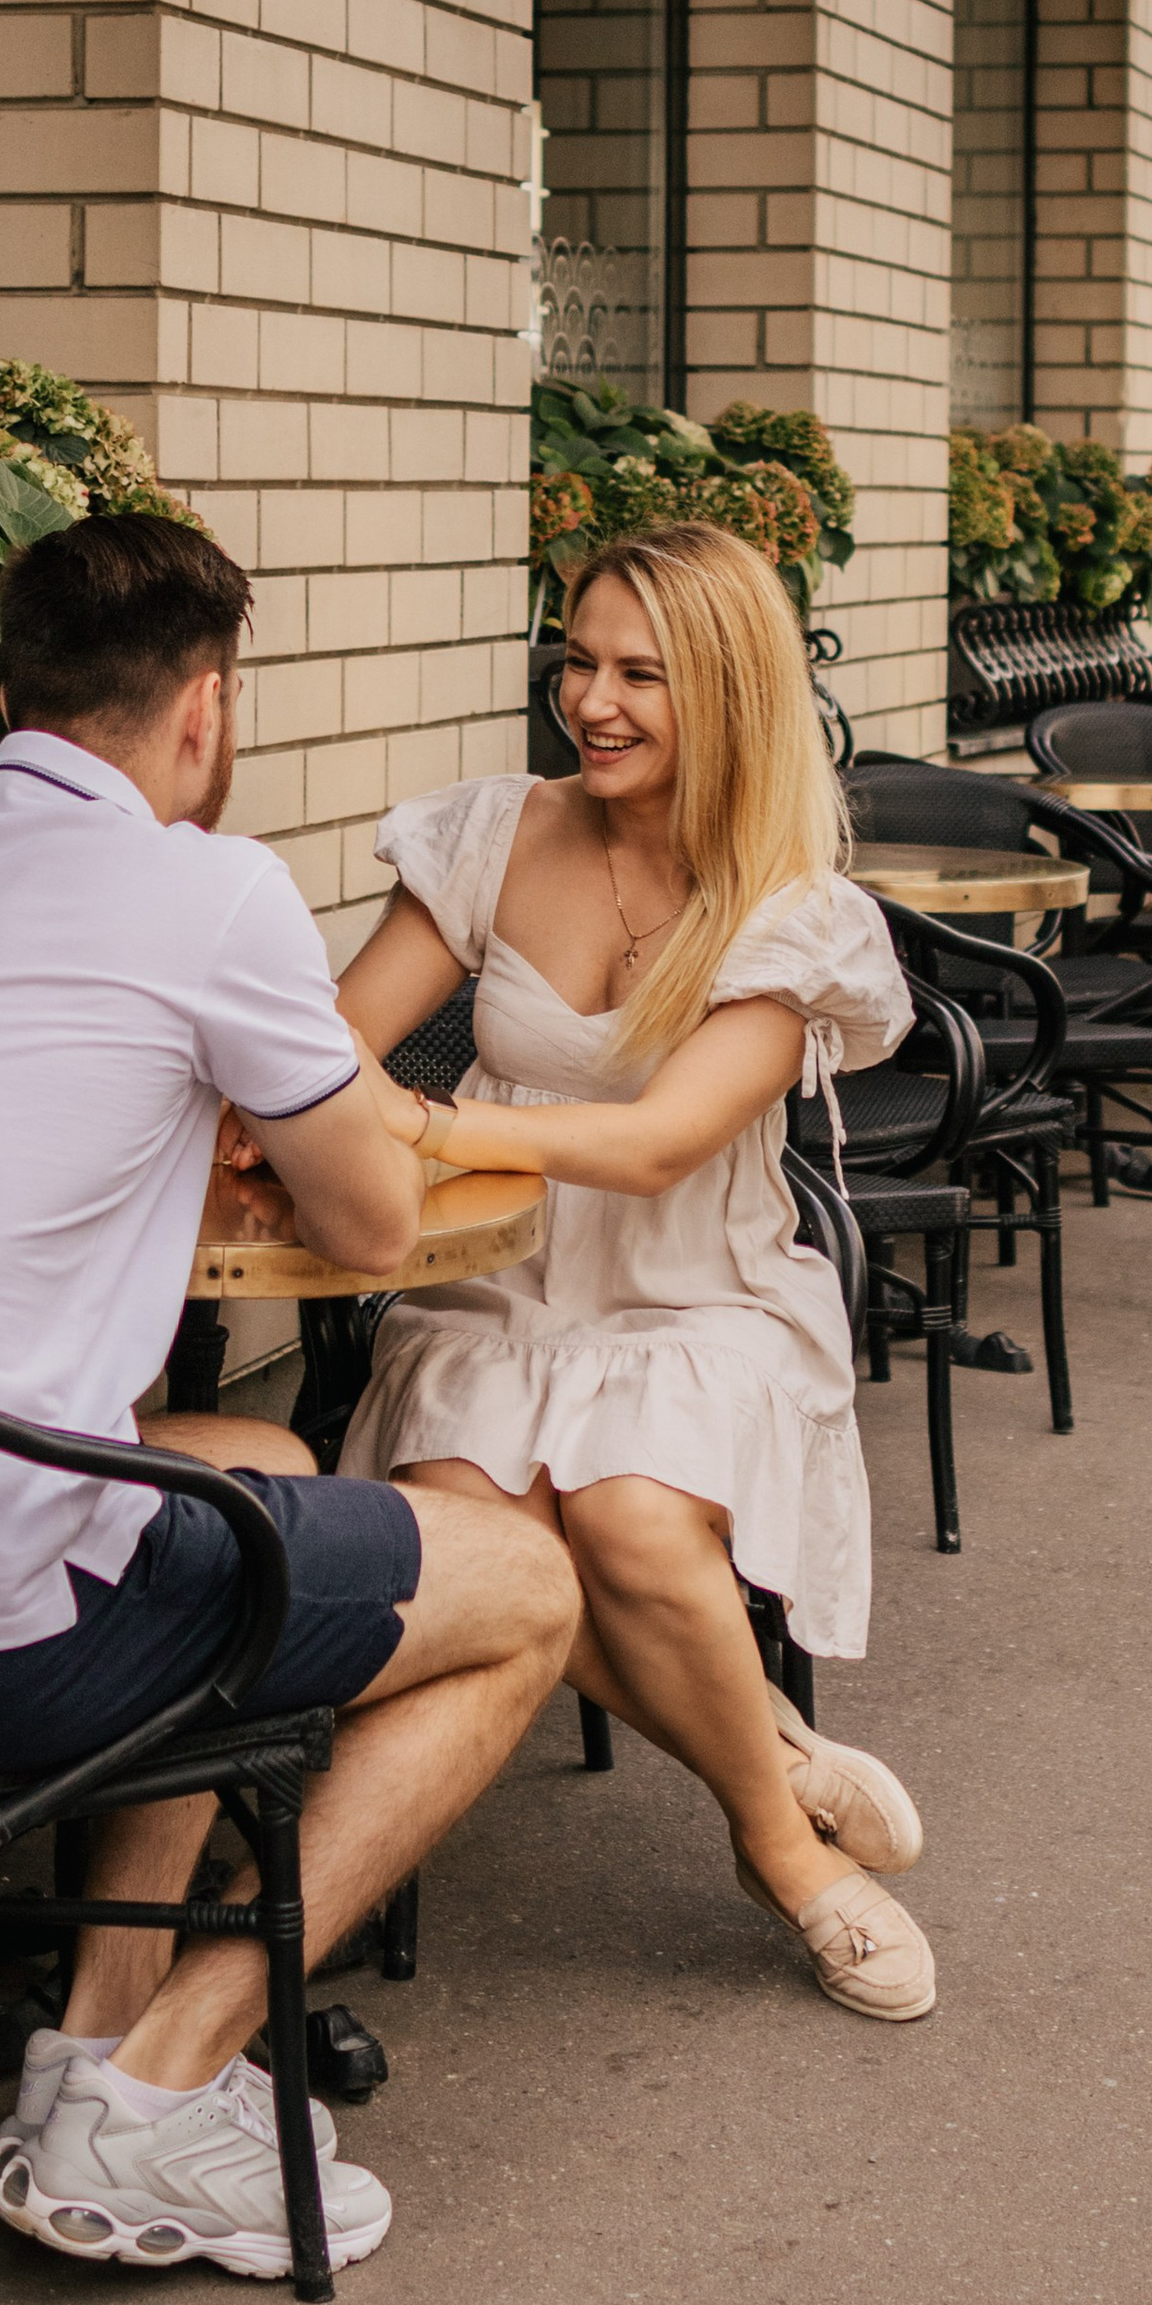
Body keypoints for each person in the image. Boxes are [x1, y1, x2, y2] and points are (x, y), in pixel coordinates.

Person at [0, 512, 579, 2279]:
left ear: (13, 687)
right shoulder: (209, 891)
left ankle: (91, 2040)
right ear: (205, 713)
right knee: (525, 1591)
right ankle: (181, 2066)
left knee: (246, 1453)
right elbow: (376, 1214)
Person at [321, 516, 937, 2022]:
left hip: (698, 1294)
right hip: (495, 1287)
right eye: (579, 661)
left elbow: (662, 1143)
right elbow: (334, 1039)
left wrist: (426, 1119)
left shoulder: (795, 910)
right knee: (478, 1547)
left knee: (636, 1518)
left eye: (641, 675)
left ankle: (781, 1860)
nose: (592, 702)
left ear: (724, 693)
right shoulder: (490, 835)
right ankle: (773, 1763)